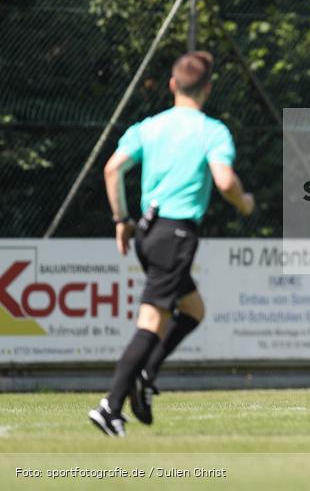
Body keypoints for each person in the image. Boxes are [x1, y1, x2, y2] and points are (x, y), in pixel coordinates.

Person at [89, 51, 254, 437]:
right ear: (208, 88)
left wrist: (121, 220)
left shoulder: (148, 127)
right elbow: (226, 182)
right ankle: (110, 406)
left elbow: (112, 168)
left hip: (148, 233)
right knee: (152, 321)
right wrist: (243, 202)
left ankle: (146, 372)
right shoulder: (212, 131)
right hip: (176, 235)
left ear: (172, 85)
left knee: (193, 310)